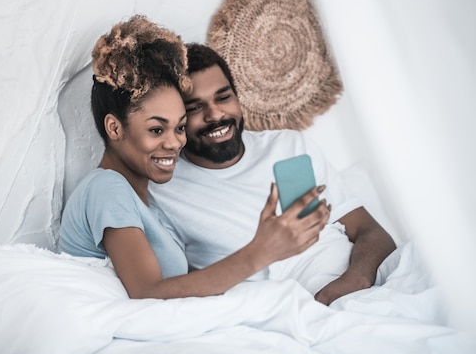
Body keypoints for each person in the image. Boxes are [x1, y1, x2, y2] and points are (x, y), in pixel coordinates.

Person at [58, 15, 331, 300]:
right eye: (156, 129)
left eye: (179, 127)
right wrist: (261, 252)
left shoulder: (134, 197)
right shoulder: (107, 188)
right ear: (115, 128)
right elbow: (147, 293)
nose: (175, 142)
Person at [148, 43, 397, 305]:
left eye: (223, 97)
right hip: (286, 311)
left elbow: (371, 232)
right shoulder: (164, 192)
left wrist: (355, 280)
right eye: (195, 107)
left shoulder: (290, 146)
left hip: (367, 284)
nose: (216, 114)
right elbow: (169, 289)